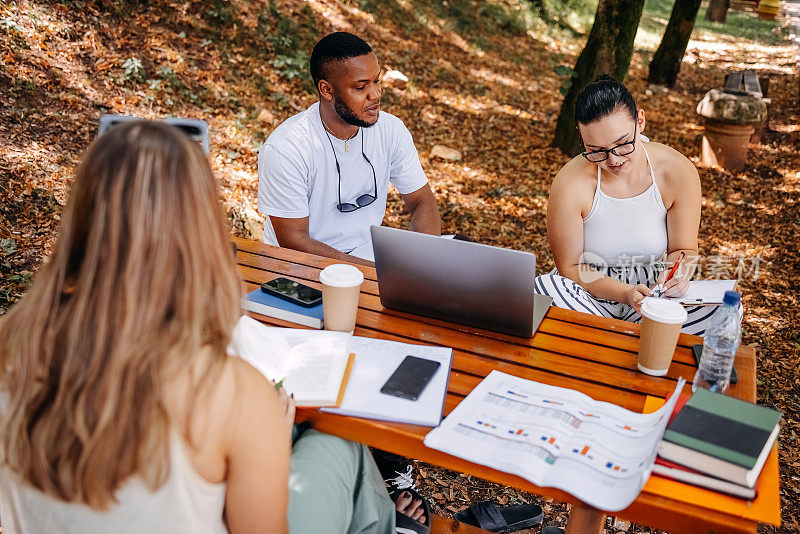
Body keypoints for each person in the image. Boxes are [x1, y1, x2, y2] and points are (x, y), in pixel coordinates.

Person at [0, 121, 429, 533]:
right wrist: (272, 452)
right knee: (339, 443)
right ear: (200, 229)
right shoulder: (233, 391)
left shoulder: (10, 346)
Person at [536, 75, 725, 336]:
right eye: (596, 150)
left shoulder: (677, 171)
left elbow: (684, 249)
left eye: (623, 144)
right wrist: (625, 294)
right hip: (588, 293)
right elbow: (570, 268)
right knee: (545, 291)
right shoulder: (570, 183)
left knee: (721, 311)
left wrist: (676, 276)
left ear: (640, 121)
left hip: (653, 292)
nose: (613, 160)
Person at [257, 32, 441, 266]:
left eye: (376, 81)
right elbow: (293, 239)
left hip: (368, 255)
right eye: (361, 86)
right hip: (300, 266)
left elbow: (422, 200)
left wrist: (424, 260)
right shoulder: (287, 148)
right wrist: (374, 273)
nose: (375, 94)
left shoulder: (391, 129)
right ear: (327, 90)